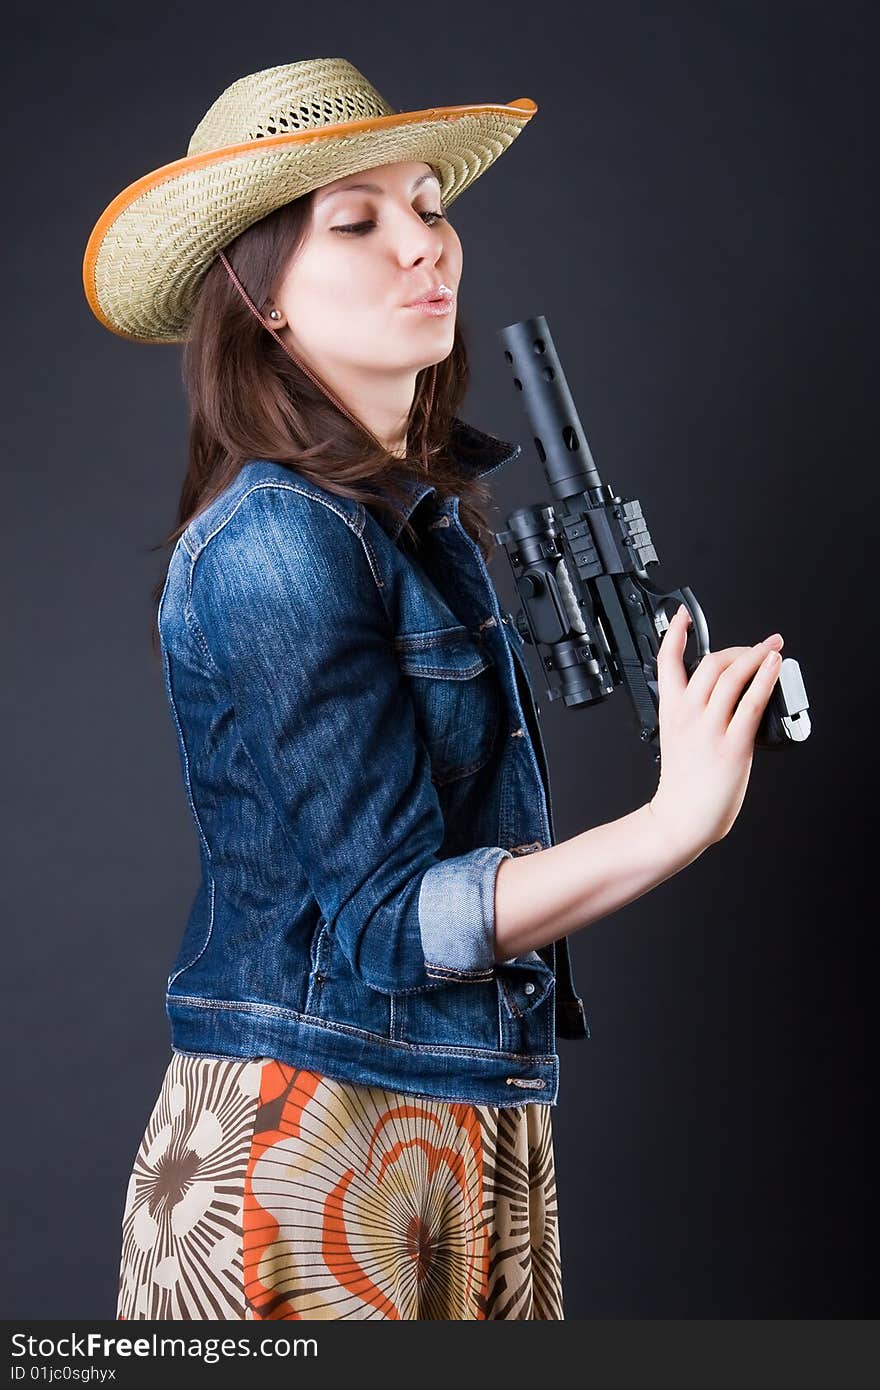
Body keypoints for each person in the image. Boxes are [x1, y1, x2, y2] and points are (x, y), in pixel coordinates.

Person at [83, 58, 785, 1322]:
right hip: (311, 1142)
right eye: (355, 224)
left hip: (463, 1118)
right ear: (259, 297)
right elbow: (389, 927)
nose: (423, 245)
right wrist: (674, 820)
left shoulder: (414, 522)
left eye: (428, 205)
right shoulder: (277, 542)